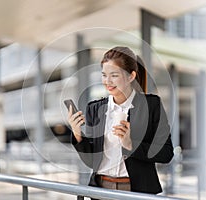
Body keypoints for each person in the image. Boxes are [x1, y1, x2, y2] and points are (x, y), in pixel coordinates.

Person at [67, 46, 174, 195]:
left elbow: (166, 153)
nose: (107, 81)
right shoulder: (94, 108)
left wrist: (130, 144)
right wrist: (77, 133)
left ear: (131, 76)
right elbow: (92, 161)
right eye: (104, 75)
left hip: (136, 192)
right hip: (100, 190)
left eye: (114, 75)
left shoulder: (151, 106)